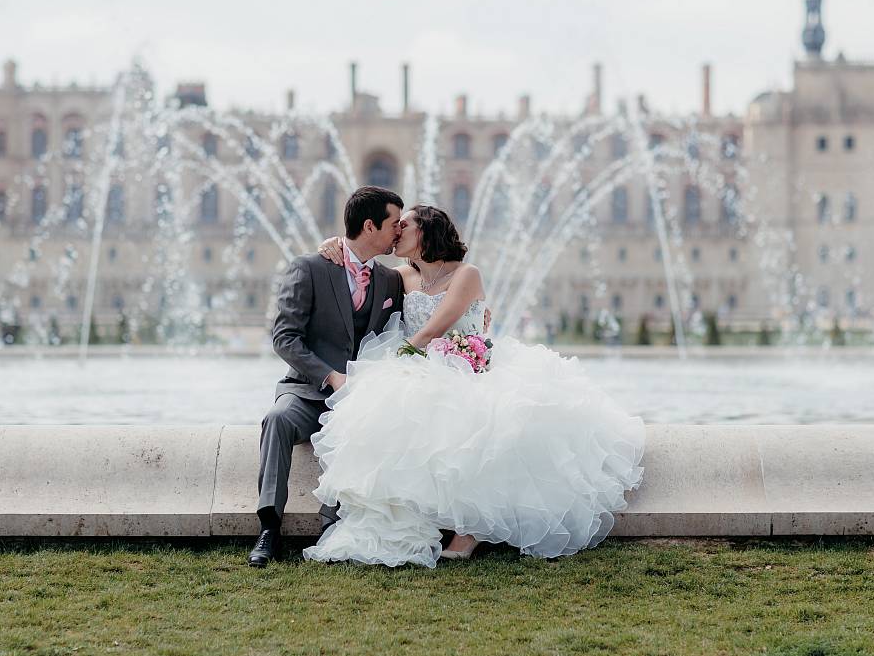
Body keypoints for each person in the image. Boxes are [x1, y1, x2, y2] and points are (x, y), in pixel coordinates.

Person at [302, 205, 644, 567]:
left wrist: (402, 357)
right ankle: (420, 517)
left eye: (405, 225)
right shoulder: (400, 276)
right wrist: (335, 244)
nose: (397, 232)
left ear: (427, 232)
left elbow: (436, 327)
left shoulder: (467, 274)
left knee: (479, 419)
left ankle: (470, 530)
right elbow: (360, 267)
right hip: (424, 367)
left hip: (468, 368)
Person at [248, 186, 406, 567]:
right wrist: (330, 377)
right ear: (370, 226)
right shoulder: (310, 268)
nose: (399, 232)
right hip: (307, 391)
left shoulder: (390, 281)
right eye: (394, 224)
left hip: (362, 398)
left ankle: (332, 525)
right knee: (277, 419)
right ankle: (269, 527)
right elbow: (285, 337)